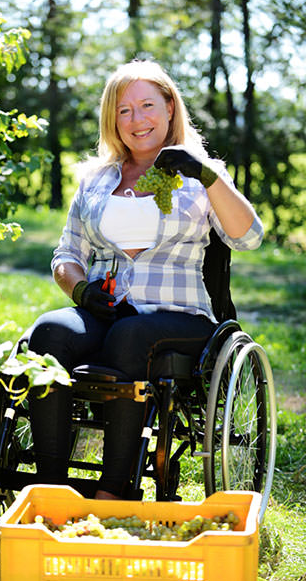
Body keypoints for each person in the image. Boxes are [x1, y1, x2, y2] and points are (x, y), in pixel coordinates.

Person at [26, 59, 264, 500]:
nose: (137, 120)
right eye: (124, 110)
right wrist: (80, 289)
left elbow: (248, 237)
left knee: (131, 335)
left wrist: (205, 174)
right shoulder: (96, 180)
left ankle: (113, 491)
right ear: (112, 119)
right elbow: (66, 255)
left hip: (180, 318)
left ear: (170, 108)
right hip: (107, 311)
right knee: (49, 332)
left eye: (147, 105)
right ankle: (51, 487)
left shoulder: (202, 173)